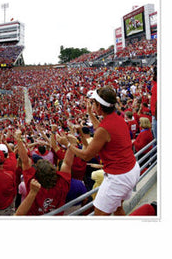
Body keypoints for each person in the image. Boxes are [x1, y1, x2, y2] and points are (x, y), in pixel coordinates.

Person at [68, 86, 140, 216]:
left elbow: (86, 155)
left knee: (99, 216)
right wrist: (90, 113)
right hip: (131, 169)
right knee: (118, 209)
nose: (93, 105)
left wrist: (68, 144)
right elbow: (102, 129)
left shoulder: (104, 129)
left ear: (100, 107)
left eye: (94, 103)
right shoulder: (117, 118)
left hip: (119, 176)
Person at [15, 129, 73, 215]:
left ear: (37, 174)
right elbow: (67, 163)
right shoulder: (62, 183)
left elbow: (25, 161)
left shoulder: (32, 183)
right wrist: (71, 144)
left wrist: (18, 140)